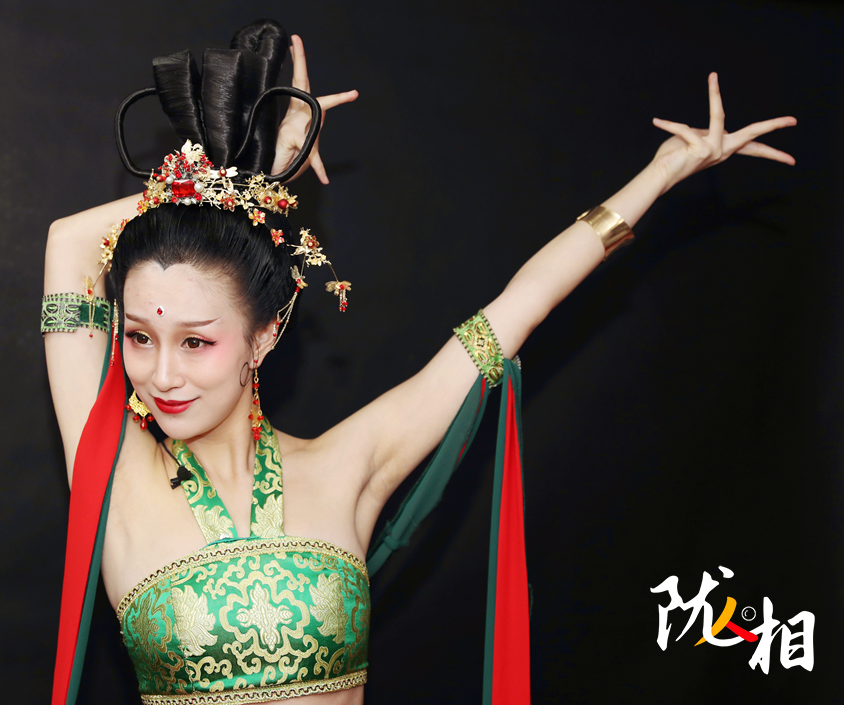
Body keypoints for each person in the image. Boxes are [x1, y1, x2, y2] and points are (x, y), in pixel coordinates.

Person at [41, 20, 795, 705]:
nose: (161, 374)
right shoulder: (115, 475)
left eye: (196, 341)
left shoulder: (347, 466)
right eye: (137, 337)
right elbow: (68, 244)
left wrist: (662, 172)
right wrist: (252, 184)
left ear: (265, 335)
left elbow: (517, 308)